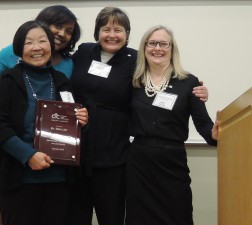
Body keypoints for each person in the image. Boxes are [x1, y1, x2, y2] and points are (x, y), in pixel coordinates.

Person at [67, 7, 210, 225]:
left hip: (131, 155)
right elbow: (59, 70)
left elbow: (199, 119)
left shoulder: (139, 62)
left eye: (119, 29)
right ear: (97, 32)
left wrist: (198, 94)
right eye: (106, 29)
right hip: (92, 150)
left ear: (127, 34)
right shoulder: (89, 54)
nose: (112, 34)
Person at [0, 5, 81, 225]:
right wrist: (28, 155)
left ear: (51, 46)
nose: (37, 48)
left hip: (59, 177)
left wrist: (82, 121)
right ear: (18, 48)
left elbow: (71, 124)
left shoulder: (63, 81)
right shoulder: (7, 81)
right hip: (20, 176)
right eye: (29, 42)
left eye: (43, 41)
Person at [125, 25, 218, 225]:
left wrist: (215, 134)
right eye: (152, 43)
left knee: (178, 215)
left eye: (163, 44)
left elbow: (203, 122)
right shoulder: (133, 81)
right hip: (139, 163)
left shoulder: (189, 82)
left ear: (172, 48)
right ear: (144, 48)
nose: (157, 48)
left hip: (172, 162)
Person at [0, 5, 80, 100]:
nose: (62, 34)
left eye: (69, 31)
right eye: (58, 26)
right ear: (43, 24)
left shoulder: (68, 63)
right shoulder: (10, 52)